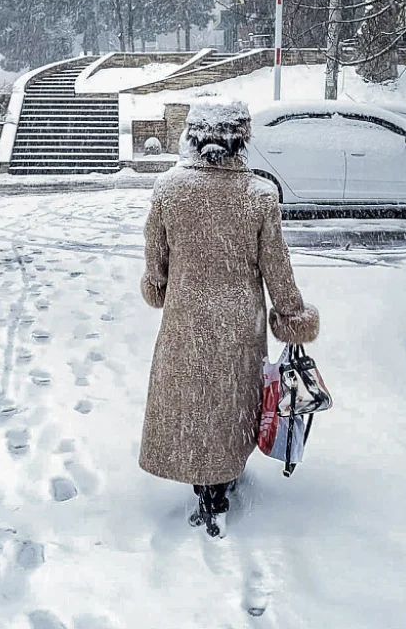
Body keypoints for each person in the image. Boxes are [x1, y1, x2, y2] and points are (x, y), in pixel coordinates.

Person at [138, 98, 320, 537]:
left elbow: (155, 263)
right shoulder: (259, 196)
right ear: (241, 141)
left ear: (194, 139)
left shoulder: (169, 189)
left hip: (185, 317)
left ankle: (201, 479)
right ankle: (221, 480)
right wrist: (293, 314)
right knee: (230, 400)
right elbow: (277, 266)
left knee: (193, 399)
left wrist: (160, 286)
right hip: (240, 322)